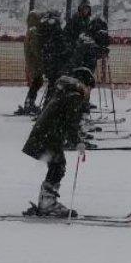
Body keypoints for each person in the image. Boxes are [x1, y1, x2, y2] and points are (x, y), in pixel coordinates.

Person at [21, 66, 96, 217]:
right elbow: (70, 124)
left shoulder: (65, 91)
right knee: (58, 166)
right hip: (47, 137)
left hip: (44, 136)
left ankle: (47, 200)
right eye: (89, 88)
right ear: (84, 84)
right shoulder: (74, 96)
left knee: (57, 165)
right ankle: (47, 203)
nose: (89, 93)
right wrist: (78, 142)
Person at [37, 9, 68, 108]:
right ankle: (49, 108)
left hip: (49, 62)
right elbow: (60, 46)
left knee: (52, 85)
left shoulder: (46, 28)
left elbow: (46, 47)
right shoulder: (56, 29)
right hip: (55, 63)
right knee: (54, 86)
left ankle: (48, 107)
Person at [17, 10, 45, 115]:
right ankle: (29, 102)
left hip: (31, 61)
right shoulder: (33, 31)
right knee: (37, 81)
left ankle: (29, 102)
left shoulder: (30, 31)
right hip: (34, 61)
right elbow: (35, 48)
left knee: (37, 81)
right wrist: (41, 57)